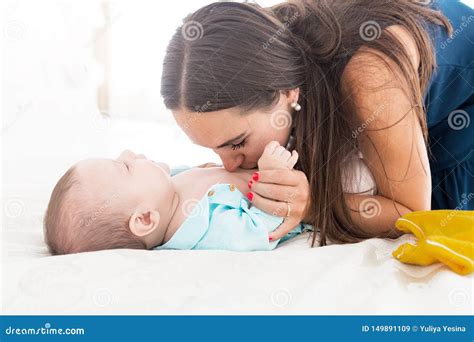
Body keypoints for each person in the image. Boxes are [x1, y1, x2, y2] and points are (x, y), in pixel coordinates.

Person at [160, 0, 473, 246]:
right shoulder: (269, 41)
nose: (229, 165)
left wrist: (313, 205)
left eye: (237, 143)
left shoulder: (368, 77)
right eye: (214, 149)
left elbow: (414, 214)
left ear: (286, 92)